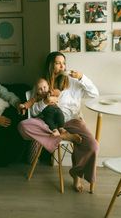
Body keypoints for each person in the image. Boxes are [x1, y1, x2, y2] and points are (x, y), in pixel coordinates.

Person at [18, 51, 99, 193]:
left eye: (64, 63)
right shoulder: (42, 84)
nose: (62, 66)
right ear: (50, 65)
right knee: (23, 126)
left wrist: (82, 78)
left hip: (71, 121)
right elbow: (34, 112)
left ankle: (76, 173)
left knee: (92, 145)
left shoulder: (74, 82)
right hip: (49, 123)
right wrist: (44, 102)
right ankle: (60, 135)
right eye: (58, 63)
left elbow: (94, 94)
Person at [19, 77, 82, 142]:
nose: (43, 90)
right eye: (40, 89)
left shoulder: (50, 92)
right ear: (37, 91)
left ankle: (62, 130)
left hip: (57, 110)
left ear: (48, 86)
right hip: (47, 113)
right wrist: (24, 105)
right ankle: (55, 131)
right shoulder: (37, 97)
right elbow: (30, 102)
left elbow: (58, 92)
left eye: (44, 87)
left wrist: (53, 92)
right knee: (48, 120)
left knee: (60, 116)